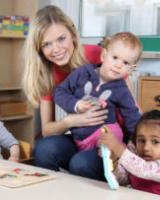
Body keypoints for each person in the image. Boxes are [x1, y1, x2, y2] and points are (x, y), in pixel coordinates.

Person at [22, 5, 132, 180]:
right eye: (47, 44)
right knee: (43, 149)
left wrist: (130, 150)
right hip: (81, 136)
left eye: (61, 39)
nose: (56, 49)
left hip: (112, 138)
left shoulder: (100, 55)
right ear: (39, 49)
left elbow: (132, 107)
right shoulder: (48, 73)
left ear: (72, 33)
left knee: (81, 164)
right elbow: (47, 130)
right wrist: (72, 120)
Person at [53, 32, 142, 151]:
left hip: (106, 134)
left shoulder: (122, 90)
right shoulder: (83, 72)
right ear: (104, 55)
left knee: (85, 161)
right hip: (80, 138)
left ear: (130, 69)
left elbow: (132, 116)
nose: (118, 65)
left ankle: (111, 155)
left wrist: (134, 140)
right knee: (47, 148)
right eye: (115, 57)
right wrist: (76, 104)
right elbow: (59, 92)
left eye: (126, 63)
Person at [99, 109, 160, 195]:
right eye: (142, 141)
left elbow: (143, 169)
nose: (146, 148)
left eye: (155, 142)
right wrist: (113, 161)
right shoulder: (135, 157)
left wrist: (117, 147)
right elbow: (123, 181)